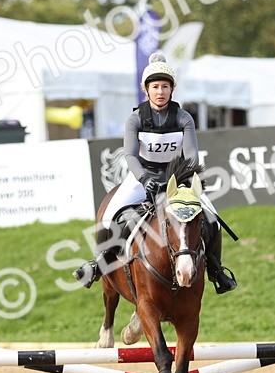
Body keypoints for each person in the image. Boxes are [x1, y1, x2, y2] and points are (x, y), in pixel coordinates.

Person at [73, 52, 238, 294]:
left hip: (176, 178)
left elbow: (191, 155)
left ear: (172, 89)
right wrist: (144, 179)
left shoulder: (184, 118)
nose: (160, 91)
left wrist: (185, 182)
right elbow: (130, 155)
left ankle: (216, 270)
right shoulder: (135, 119)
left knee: (212, 218)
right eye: (155, 87)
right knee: (110, 216)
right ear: (146, 90)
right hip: (143, 177)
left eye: (165, 86)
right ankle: (98, 264)